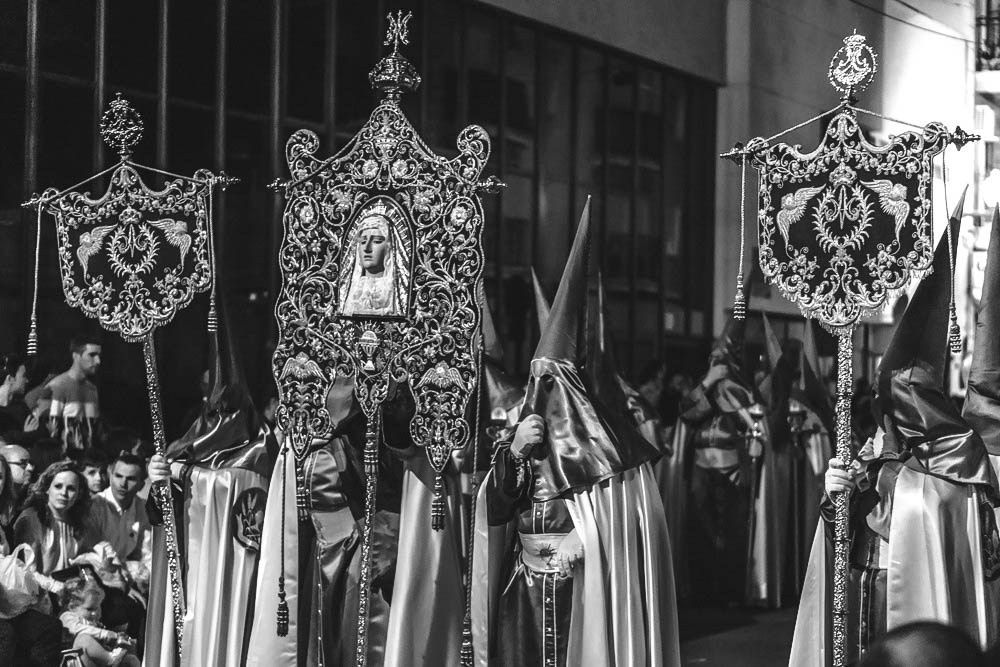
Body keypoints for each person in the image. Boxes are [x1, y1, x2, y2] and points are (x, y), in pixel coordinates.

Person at [789, 204, 1000, 664]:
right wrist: (835, 494)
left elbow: (955, 551)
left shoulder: (957, 463)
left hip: (914, 609)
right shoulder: (873, 450)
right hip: (862, 589)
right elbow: (841, 530)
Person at [474, 200, 680, 666]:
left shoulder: (606, 446)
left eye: (548, 382)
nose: (537, 392)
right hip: (522, 590)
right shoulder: (526, 440)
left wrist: (584, 539)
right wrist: (513, 453)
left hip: (579, 592)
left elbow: (629, 525)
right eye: (533, 380)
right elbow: (498, 509)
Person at [0, 455, 63, 667]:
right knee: (6, 635)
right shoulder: (28, 518)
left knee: (48, 627)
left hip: (5, 602)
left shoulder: (3, 519)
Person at [13, 459, 92, 575]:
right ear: (47, 488)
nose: (64, 493)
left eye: (71, 488)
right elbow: (27, 571)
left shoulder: (77, 520)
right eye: (58, 486)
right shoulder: (31, 518)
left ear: (79, 494)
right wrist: (54, 587)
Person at [37, 335, 103, 452]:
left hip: (89, 462)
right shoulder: (56, 387)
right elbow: (48, 435)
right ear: (76, 356)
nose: (98, 361)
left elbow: (95, 432)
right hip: (64, 461)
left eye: (99, 355)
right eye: (92, 355)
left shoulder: (92, 389)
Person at [338, 210, 410, 317]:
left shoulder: (397, 296)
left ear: (389, 248)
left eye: (376, 241)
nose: (367, 248)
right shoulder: (351, 293)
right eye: (362, 242)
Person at [59, 576, 139, 667]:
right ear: (72, 607)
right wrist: (105, 634)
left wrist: (117, 639)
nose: (94, 613)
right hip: (75, 659)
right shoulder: (67, 617)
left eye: (97, 608)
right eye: (89, 609)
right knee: (83, 638)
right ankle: (111, 660)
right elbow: (78, 629)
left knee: (131, 659)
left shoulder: (96, 624)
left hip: (96, 661)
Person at [0, 353, 32, 436]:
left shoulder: (22, 408)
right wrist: (25, 436)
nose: (27, 380)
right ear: (10, 379)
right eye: (24, 376)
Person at [1, 443, 36, 510]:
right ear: (4, 465)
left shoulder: (34, 497)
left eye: (30, 463)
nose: (30, 468)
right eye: (23, 463)